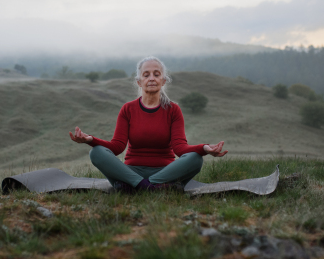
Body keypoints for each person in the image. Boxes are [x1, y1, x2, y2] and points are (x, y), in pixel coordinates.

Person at [69, 56, 228, 191]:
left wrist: (204, 148)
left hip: (165, 172)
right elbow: (117, 147)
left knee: (196, 158)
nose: (151, 78)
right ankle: (152, 188)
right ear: (139, 81)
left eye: (156, 74)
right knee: (96, 152)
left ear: (163, 80)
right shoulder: (128, 109)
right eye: (146, 75)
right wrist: (90, 140)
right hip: (131, 172)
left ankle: (139, 187)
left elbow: (180, 148)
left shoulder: (173, 110)